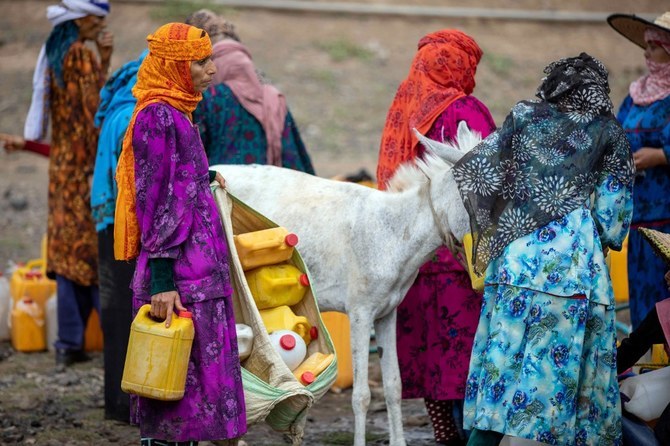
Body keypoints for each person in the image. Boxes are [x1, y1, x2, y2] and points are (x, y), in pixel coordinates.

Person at [455, 53, 635, 445]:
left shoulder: (523, 116)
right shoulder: (609, 133)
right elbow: (611, 216)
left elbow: (485, 174)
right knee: (567, 387)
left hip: (514, 265)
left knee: (499, 377)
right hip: (571, 273)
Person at [114, 22, 246, 444]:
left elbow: (177, 179)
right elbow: (154, 200)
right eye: (201, 61)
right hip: (181, 279)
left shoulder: (178, 110)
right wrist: (162, 281)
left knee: (192, 398)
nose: (212, 69)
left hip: (199, 272)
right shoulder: (156, 117)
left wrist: (204, 178)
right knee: (175, 394)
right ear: (175, 66)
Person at [376, 29, 495, 445]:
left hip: (411, 253)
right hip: (459, 256)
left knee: (429, 354)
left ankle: (445, 433)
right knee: (465, 354)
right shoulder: (466, 110)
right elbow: (488, 181)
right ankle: (471, 435)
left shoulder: (403, 106)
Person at [20, 0, 113, 366]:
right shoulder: (80, 57)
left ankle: (68, 343)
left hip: (61, 169)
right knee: (90, 253)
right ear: (84, 19)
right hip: (83, 171)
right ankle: (112, 341)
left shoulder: (57, 54)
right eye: (99, 20)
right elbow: (94, 114)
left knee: (64, 252)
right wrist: (104, 60)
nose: (102, 26)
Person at [185, 9, 315, 173]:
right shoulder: (274, 98)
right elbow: (296, 161)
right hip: (273, 190)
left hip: (226, 191)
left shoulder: (208, 99)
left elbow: (191, 157)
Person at [91, 49, 147, 422]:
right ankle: (129, 404)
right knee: (129, 312)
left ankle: (116, 402)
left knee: (114, 313)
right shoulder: (131, 116)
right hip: (125, 227)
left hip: (107, 224)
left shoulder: (116, 109)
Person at [607, 12, 670, 330]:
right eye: (645, 45)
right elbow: (616, 135)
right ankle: (650, 372)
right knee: (644, 305)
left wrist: (661, 155)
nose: (646, 53)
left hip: (667, 216)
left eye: (653, 46)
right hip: (638, 215)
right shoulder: (636, 96)